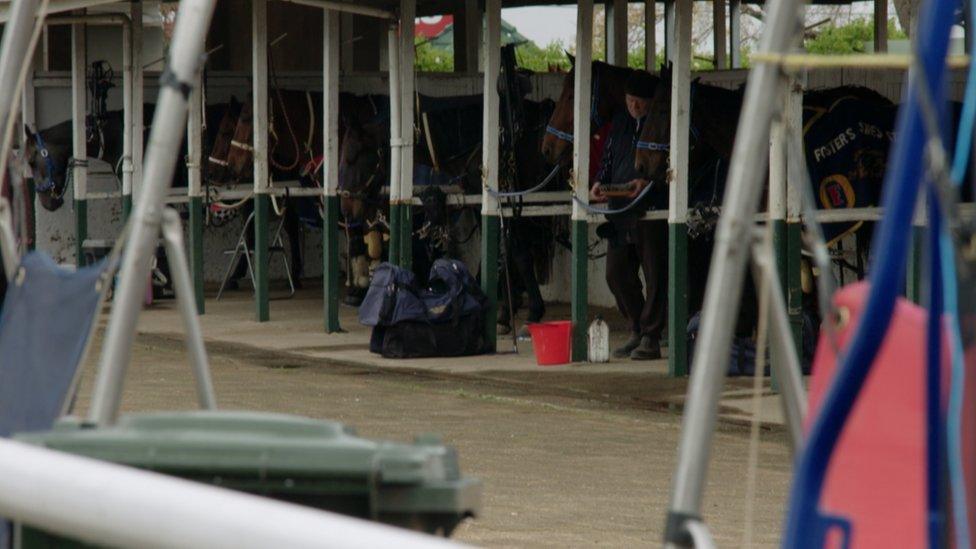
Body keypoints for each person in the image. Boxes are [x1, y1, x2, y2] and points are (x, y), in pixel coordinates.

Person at [589, 70, 668, 360]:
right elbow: (607, 158)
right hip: (620, 210)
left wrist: (648, 184)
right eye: (630, 100)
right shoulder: (620, 122)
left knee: (655, 273)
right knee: (616, 273)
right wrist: (599, 182)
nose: (634, 106)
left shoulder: (660, 124)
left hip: (650, 209)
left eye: (640, 102)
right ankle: (636, 326)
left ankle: (651, 335)